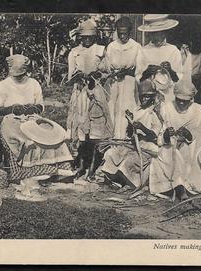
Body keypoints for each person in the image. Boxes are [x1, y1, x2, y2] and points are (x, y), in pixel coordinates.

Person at [0, 54, 74, 188]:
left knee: (52, 135)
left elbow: (41, 105)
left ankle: (54, 170)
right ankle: (29, 173)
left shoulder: (33, 83)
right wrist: (12, 108)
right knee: (26, 140)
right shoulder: (3, 85)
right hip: (11, 119)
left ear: (26, 71)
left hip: (32, 118)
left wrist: (33, 108)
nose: (19, 77)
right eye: (16, 75)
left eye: (21, 74)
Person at [149, 79, 201, 200]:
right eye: (178, 100)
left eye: (184, 101)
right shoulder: (167, 107)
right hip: (171, 146)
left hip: (192, 147)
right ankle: (180, 188)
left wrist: (189, 134)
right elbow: (160, 134)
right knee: (173, 154)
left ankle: (188, 185)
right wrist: (166, 135)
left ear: (191, 100)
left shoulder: (199, 110)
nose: (181, 104)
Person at [66, 20, 113, 180]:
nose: (87, 40)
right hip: (80, 94)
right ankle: (80, 165)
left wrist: (97, 75)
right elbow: (70, 77)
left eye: (90, 37)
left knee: (96, 130)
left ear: (95, 36)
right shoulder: (74, 52)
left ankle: (93, 167)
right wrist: (78, 76)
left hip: (96, 92)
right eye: (84, 37)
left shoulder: (101, 50)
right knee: (80, 130)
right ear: (79, 36)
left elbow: (107, 72)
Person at [101, 80, 163, 189]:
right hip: (133, 144)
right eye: (142, 96)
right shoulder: (137, 110)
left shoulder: (153, 112)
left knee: (129, 161)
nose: (144, 99)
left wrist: (142, 128)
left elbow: (155, 135)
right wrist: (130, 121)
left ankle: (128, 183)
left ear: (153, 97)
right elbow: (129, 133)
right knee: (112, 154)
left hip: (147, 147)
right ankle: (112, 179)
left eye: (147, 97)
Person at [103, 17, 143, 139]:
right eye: (120, 33)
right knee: (112, 108)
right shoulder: (111, 46)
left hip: (129, 83)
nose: (122, 36)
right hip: (114, 83)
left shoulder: (136, 47)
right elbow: (107, 66)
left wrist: (128, 72)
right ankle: (113, 137)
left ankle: (126, 137)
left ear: (130, 32)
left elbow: (140, 69)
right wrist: (113, 73)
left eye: (125, 33)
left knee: (127, 107)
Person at [136, 14, 183, 103]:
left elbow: (180, 79)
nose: (157, 37)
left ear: (165, 32)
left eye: (160, 33)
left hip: (169, 95)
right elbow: (138, 78)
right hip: (148, 95)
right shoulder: (143, 51)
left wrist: (171, 71)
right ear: (149, 34)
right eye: (154, 33)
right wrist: (146, 73)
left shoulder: (173, 50)